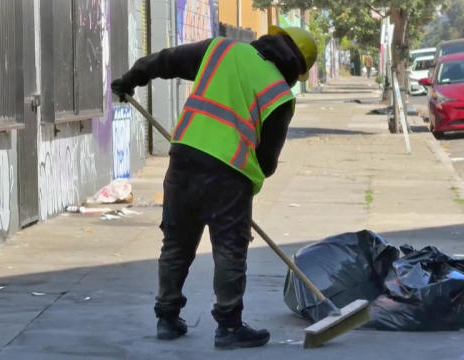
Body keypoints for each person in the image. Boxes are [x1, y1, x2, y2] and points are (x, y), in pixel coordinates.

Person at [111, 26, 317, 349]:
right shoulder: (280, 95)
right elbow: (267, 162)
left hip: (184, 158)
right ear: (296, 68)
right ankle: (229, 326)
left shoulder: (221, 50)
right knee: (229, 249)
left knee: (176, 242)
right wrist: (243, 192)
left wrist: (131, 79)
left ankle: (166, 318)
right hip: (230, 173)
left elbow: (167, 61)